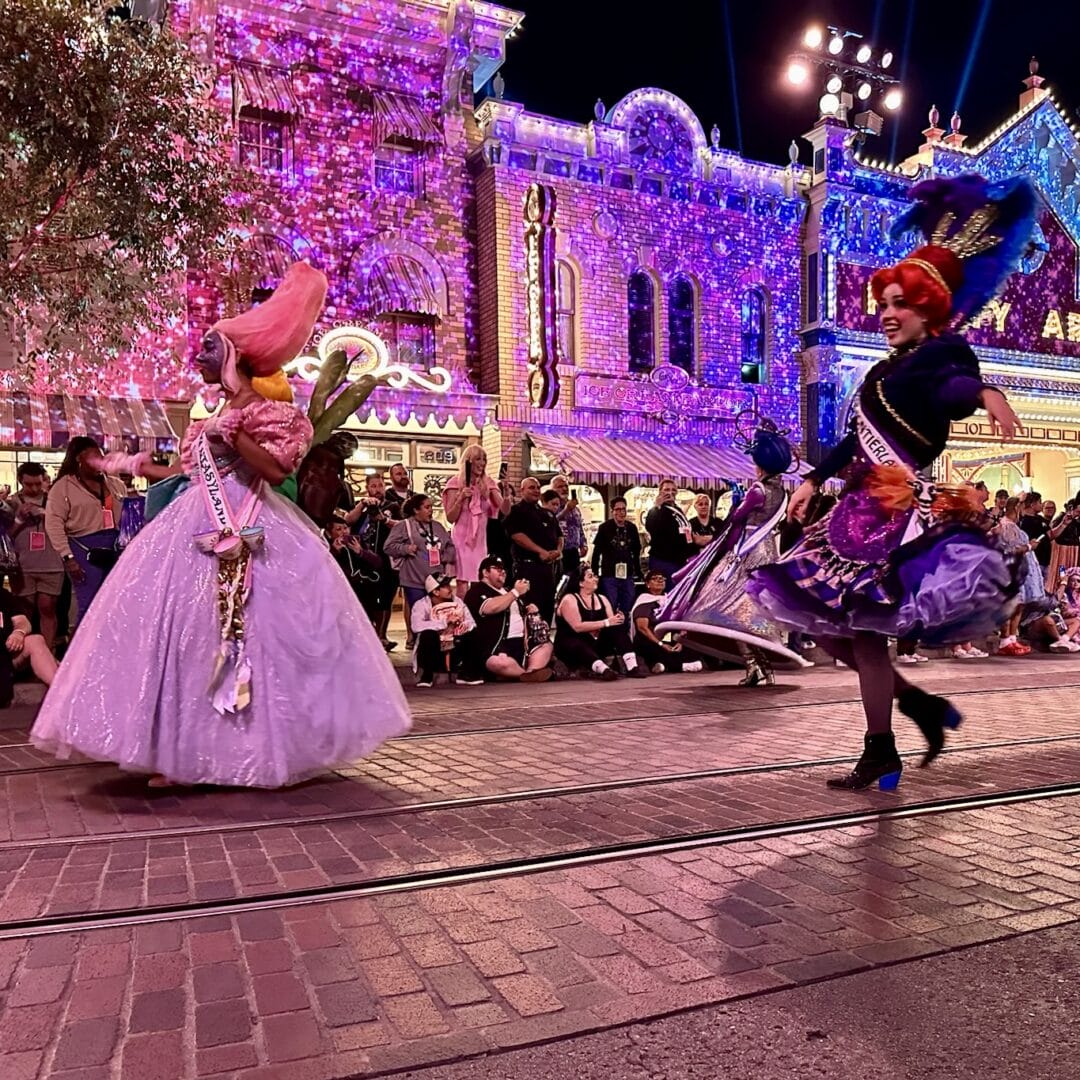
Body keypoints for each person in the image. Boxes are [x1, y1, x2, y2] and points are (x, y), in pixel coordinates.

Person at [31, 261, 411, 787]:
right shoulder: (213, 416)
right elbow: (188, 472)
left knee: (257, 638)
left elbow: (276, 469)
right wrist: (133, 466)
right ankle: (182, 755)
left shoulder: (273, 416)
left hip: (256, 526)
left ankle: (250, 750)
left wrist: (234, 433)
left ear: (233, 355)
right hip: (196, 525)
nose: (199, 357)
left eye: (210, 347)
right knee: (185, 638)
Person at [749, 173, 1034, 791]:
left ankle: (881, 750)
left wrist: (985, 393)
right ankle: (916, 710)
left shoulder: (945, 355)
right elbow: (855, 441)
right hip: (855, 511)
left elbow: (953, 394)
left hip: (893, 520)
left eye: (901, 304)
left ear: (929, 309)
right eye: (884, 305)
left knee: (863, 639)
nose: (887, 315)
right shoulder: (883, 370)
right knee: (839, 640)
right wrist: (812, 481)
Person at [656, 423, 803, 686]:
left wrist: (737, 499)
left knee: (727, 609)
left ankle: (754, 665)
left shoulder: (758, 490)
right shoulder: (782, 491)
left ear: (762, 463)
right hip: (767, 549)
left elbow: (737, 517)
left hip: (746, 551)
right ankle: (761, 667)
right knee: (749, 611)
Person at [44, 436, 127, 626]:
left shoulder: (115, 485)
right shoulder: (63, 487)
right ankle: (80, 652)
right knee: (89, 604)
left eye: (101, 457)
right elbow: (54, 524)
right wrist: (68, 558)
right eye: (93, 458)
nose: (100, 462)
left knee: (115, 603)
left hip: (115, 546)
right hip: (83, 549)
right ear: (79, 459)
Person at [3, 462, 65, 648]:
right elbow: (5, 537)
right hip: (22, 566)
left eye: (38, 483)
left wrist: (47, 515)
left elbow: (67, 528)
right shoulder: (12, 503)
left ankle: (47, 652)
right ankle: (24, 655)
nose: (35, 488)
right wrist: (19, 519)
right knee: (24, 611)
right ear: (21, 481)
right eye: (29, 484)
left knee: (48, 608)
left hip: (52, 563)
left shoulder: (54, 501)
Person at [464, 555, 554, 682]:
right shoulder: (476, 591)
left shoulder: (508, 591)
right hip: (498, 646)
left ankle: (529, 672)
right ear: (485, 572)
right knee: (498, 662)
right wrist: (515, 593)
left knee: (546, 646)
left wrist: (529, 608)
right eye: (497, 568)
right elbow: (491, 607)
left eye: (504, 569)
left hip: (523, 643)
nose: (503, 571)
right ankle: (527, 675)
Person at [385, 493, 456, 649]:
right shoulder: (404, 526)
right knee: (419, 613)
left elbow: (450, 546)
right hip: (414, 578)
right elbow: (388, 547)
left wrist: (445, 556)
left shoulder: (437, 526)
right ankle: (418, 643)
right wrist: (405, 548)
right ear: (416, 510)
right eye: (427, 507)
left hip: (436, 580)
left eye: (431, 507)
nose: (431, 510)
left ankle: (435, 644)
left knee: (436, 611)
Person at [443, 446, 510, 598]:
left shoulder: (488, 483)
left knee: (479, 579)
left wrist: (506, 493)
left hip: (480, 539)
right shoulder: (455, 482)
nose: (482, 463)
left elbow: (505, 510)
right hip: (461, 538)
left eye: (484, 459)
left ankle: (476, 612)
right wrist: (460, 499)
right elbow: (450, 517)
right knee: (462, 582)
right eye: (478, 459)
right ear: (468, 462)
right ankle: (463, 616)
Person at [554, 568, 644, 680]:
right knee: (577, 643)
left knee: (617, 628)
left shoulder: (602, 598)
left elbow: (611, 623)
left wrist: (618, 619)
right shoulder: (569, 599)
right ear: (581, 583)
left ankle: (632, 667)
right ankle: (604, 670)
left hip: (594, 642)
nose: (596, 579)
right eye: (591, 576)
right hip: (571, 645)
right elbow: (577, 627)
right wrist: (606, 622)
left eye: (595, 576)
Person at [346, 472, 401, 650]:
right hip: (362, 559)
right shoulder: (360, 506)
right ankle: (367, 635)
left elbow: (401, 526)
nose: (378, 489)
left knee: (386, 598)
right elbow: (348, 520)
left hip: (387, 559)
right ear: (367, 488)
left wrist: (383, 519)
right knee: (365, 598)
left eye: (380, 485)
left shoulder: (392, 505)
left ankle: (382, 636)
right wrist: (362, 503)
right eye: (374, 486)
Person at [505, 477, 562, 621]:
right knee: (529, 609)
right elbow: (517, 535)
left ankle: (545, 641)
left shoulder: (546, 513)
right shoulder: (516, 511)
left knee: (547, 608)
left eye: (538, 487)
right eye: (532, 487)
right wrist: (540, 551)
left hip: (548, 569)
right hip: (527, 568)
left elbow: (560, 535)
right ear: (522, 490)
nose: (536, 490)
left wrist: (558, 550)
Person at [410, 573, 481, 687]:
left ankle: (466, 674)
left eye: (449, 585)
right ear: (436, 592)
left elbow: (471, 622)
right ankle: (426, 676)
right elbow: (416, 626)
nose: (450, 589)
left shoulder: (457, 602)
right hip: (435, 648)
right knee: (428, 634)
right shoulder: (421, 605)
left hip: (455, 644)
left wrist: (463, 625)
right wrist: (444, 622)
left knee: (473, 633)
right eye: (445, 586)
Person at [630, 570, 704, 674]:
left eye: (662, 579)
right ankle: (679, 666)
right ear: (647, 584)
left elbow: (680, 622)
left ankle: (662, 665)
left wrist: (680, 641)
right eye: (655, 579)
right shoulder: (644, 602)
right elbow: (643, 628)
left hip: (669, 638)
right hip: (651, 640)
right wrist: (661, 644)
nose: (660, 581)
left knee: (691, 645)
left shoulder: (670, 600)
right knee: (655, 649)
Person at [0, 589, 58, 707]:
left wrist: (19, 632)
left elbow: (22, 620)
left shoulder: (2, 595)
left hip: (5, 656)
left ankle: (61, 691)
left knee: (35, 640)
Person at [591, 496, 643, 620]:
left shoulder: (631, 528)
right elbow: (597, 551)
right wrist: (594, 572)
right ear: (612, 511)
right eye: (618, 509)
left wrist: (638, 571)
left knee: (628, 602)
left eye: (623, 509)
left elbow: (636, 552)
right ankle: (611, 632)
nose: (621, 512)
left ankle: (624, 631)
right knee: (610, 604)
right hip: (609, 573)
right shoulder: (604, 528)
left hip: (627, 573)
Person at [995, 497, 1035, 656]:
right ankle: (1004, 639)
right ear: (1016, 507)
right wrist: (1030, 546)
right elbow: (1012, 550)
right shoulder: (1006, 526)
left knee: (1018, 604)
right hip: (1007, 570)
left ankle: (1012, 638)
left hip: (1018, 570)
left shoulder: (1013, 526)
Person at [644, 480, 694, 588]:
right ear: (660, 492)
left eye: (673, 490)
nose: (670, 493)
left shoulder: (677, 509)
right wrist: (657, 506)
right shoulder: (658, 510)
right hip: (663, 560)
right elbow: (650, 526)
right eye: (666, 490)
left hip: (680, 560)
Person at [550, 475, 588, 587]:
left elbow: (579, 527)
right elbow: (552, 523)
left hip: (573, 552)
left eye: (566, 486)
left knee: (574, 583)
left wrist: (583, 544)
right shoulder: (552, 507)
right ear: (552, 490)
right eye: (560, 486)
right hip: (559, 553)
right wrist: (566, 510)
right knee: (559, 584)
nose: (564, 489)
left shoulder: (575, 509)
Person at [1046, 499, 1080, 591]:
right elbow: (1054, 535)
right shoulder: (1061, 519)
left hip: (1074, 552)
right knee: (1062, 572)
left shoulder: (1077, 521)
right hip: (1062, 553)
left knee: (1073, 575)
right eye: (1078, 511)